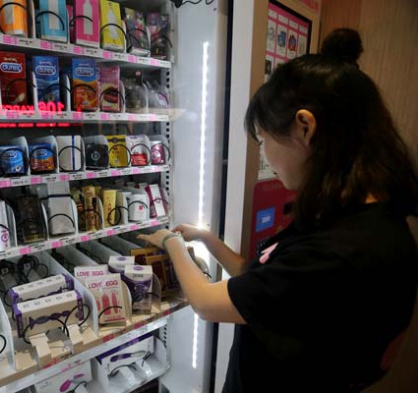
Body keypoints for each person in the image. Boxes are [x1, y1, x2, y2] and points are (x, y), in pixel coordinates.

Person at [138, 29, 418, 392]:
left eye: (263, 139)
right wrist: (207, 240)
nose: (264, 155)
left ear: (305, 127)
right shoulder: (355, 218)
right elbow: (264, 282)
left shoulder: (343, 253)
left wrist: (170, 245)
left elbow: (207, 303)